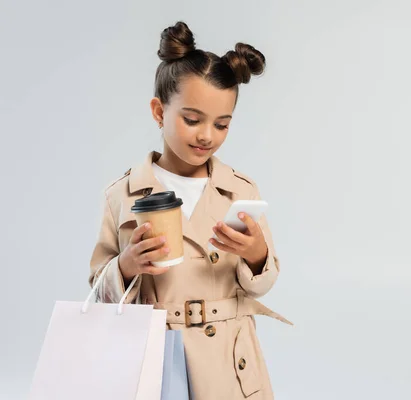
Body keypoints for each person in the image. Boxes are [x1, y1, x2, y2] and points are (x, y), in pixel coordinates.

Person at [88, 21, 291, 399]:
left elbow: (263, 283)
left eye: (222, 124)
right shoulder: (122, 194)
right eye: (192, 119)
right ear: (159, 111)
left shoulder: (240, 191)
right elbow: (99, 290)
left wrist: (256, 254)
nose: (206, 136)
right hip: (154, 353)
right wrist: (127, 266)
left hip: (227, 361)